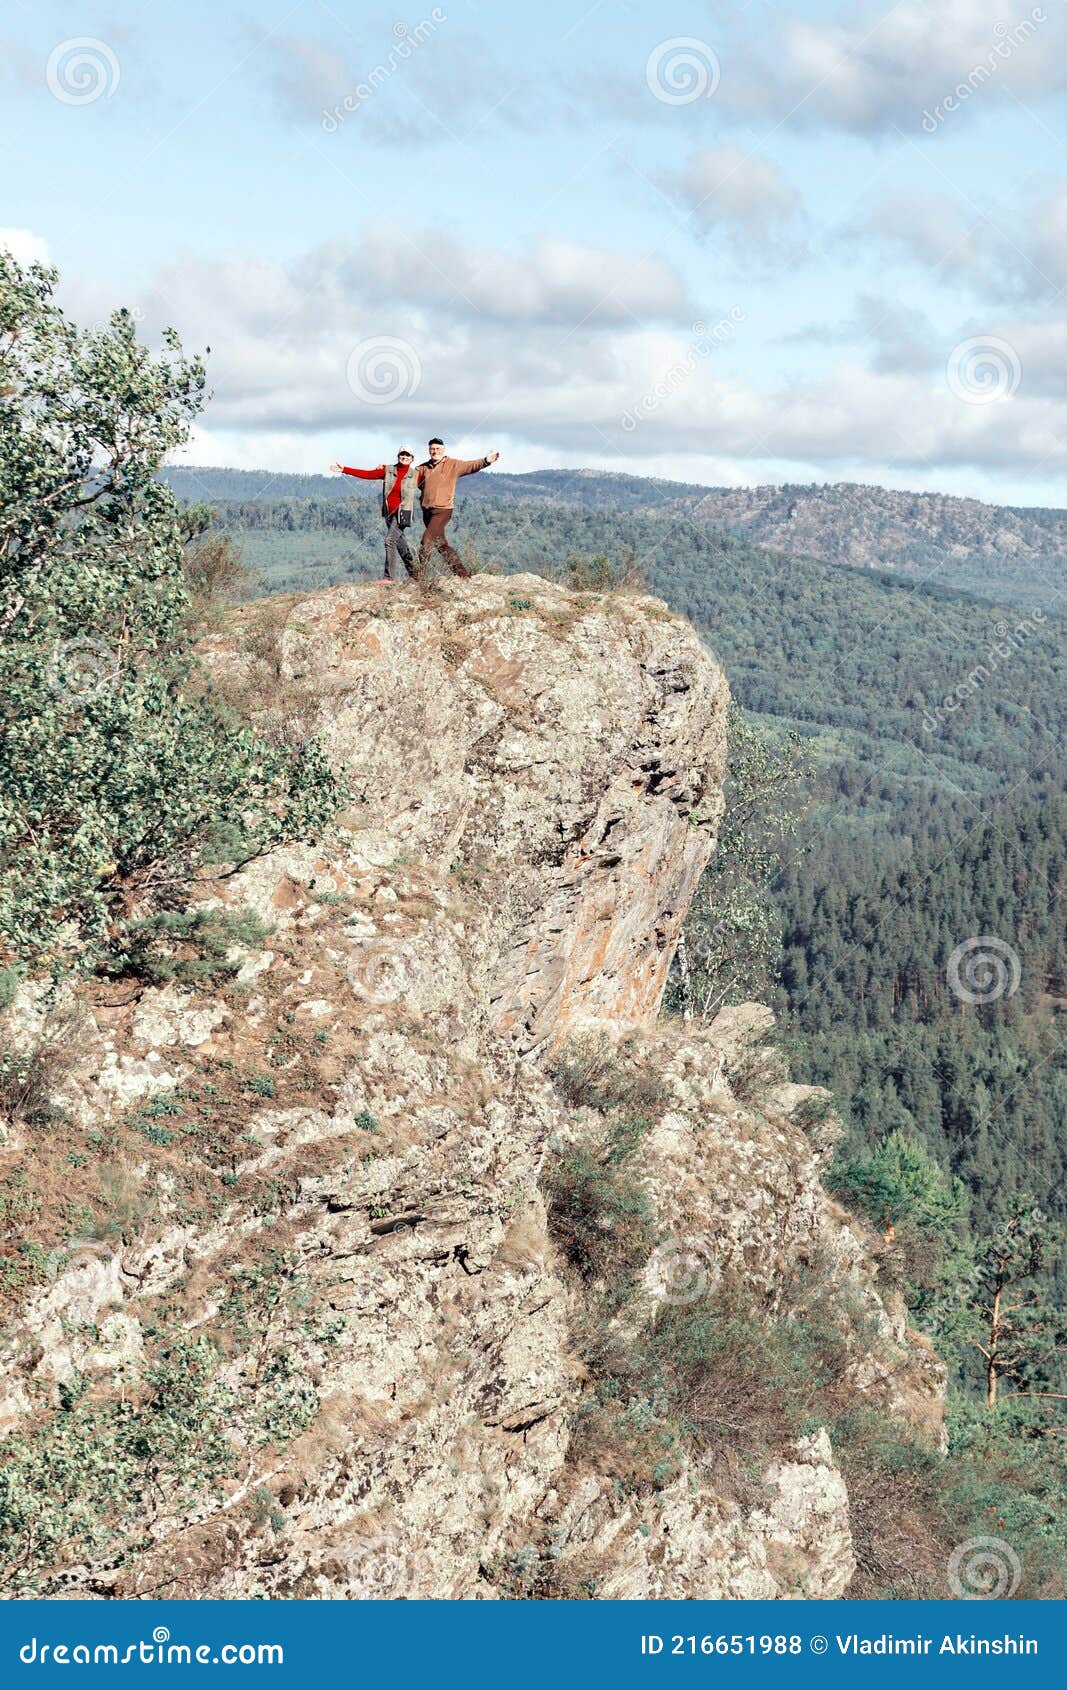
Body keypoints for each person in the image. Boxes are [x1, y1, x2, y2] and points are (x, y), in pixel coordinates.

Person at [329, 448, 423, 582]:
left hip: (403, 514)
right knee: (401, 544)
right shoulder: (388, 470)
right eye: (402, 454)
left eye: (408, 455)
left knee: (389, 540)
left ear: (412, 458)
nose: (404, 457)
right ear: (398, 456)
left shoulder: (416, 474)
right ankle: (416, 575)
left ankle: (389, 577)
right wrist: (345, 469)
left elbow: (430, 482)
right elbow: (368, 474)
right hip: (388, 513)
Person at [417, 438, 500, 578]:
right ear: (428, 450)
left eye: (438, 449)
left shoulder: (453, 465)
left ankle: (419, 576)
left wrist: (486, 460)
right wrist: (387, 472)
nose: (435, 451)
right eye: (432, 449)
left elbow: (471, 465)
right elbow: (406, 477)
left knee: (426, 540)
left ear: (443, 450)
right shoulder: (423, 467)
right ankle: (462, 574)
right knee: (441, 545)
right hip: (427, 511)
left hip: (443, 510)